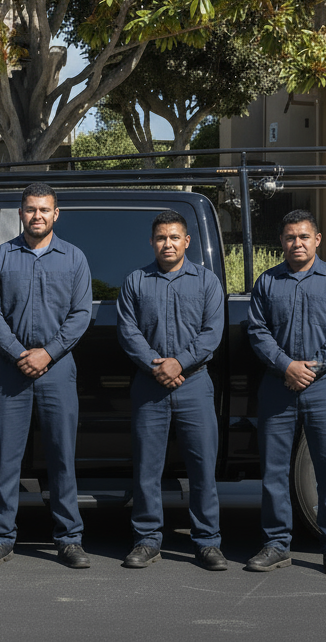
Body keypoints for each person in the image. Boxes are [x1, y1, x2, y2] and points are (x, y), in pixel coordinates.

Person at [0, 183, 93, 569]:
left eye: (44, 209)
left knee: (62, 458)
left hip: (58, 370)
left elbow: (80, 315)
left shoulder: (74, 258)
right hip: (10, 371)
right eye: (30, 209)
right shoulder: (0, 257)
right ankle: (0, 538)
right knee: (6, 460)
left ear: (56, 214)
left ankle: (69, 539)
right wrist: (18, 353)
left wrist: (49, 352)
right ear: (20, 213)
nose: (37, 215)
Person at [245, 209, 326, 577]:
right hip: (278, 387)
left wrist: (310, 369)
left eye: (304, 236)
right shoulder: (267, 282)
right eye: (291, 237)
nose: (297, 243)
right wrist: (286, 366)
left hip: (323, 387)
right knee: (273, 472)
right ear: (281, 241)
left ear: (317, 239)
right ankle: (276, 545)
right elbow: (257, 332)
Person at [116, 210, 226, 571]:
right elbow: (128, 331)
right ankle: (147, 539)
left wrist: (180, 362)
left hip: (195, 383)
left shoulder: (207, 282)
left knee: (202, 467)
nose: (168, 244)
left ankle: (207, 541)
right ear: (152, 242)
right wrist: (156, 364)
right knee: (147, 468)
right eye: (161, 238)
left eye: (174, 237)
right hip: (149, 384)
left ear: (187, 242)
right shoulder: (135, 281)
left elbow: (212, 332)